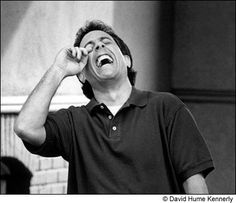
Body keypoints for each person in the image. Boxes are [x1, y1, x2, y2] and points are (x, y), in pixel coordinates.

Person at [14, 20, 214, 194]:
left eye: (106, 42)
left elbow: (194, 183)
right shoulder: (74, 122)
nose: (99, 47)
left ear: (126, 60)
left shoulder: (166, 107)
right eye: (90, 48)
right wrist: (59, 69)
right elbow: (26, 127)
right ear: (82, 74)